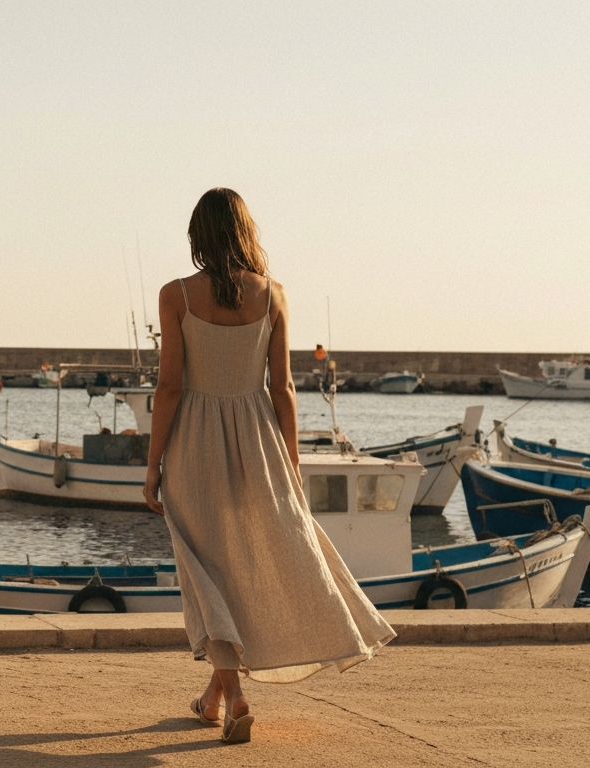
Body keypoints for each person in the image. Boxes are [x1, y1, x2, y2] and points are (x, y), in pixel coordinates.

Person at [143, 188, 395, 745]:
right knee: (241, 564)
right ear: (246, 231)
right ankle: (217, 696)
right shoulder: (273, 295)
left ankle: (231, 694)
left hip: (193, 445)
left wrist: (153, 463)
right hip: (258, 441)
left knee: (205, 568)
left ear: (197, 235)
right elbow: (282, 388)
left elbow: (169, 387)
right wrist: (291, 463)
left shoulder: (177, 295)